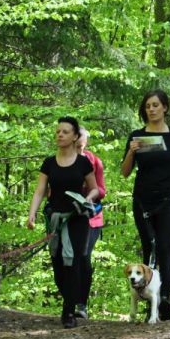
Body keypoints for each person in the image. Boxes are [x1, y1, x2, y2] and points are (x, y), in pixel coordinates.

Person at [121, 89, 170, 320]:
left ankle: (164, 298)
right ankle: (149, 300)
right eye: (148, 106)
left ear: (165, 107)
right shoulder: (137, 136)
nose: (151, 109)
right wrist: (131, 152)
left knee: (165, 246)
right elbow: (125, 172)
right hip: (143, 200)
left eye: (155, 105)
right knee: (149, 247)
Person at [28, 117, 99, 329]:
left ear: (75, 136)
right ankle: (69, 299)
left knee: (74, 262)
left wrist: (88, 199)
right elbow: (40, 190)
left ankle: (68, 311)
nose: (60, 134)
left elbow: (95, 188)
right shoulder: (49, 163)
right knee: (58, 265)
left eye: (65, 132)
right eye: (58, 131)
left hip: (77, 219)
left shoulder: (83, 162)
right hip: (55, 219)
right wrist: (32, 214)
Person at [75, 127, 106, 320]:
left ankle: (81, 304)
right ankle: (69, 299)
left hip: (91, 217)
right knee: (65, 259)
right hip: (67, 217)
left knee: (84, 256)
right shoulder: (61, 161)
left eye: (82, 144)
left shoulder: (94, 161)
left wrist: (88, 191)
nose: (79, 147)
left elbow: (102, 190)